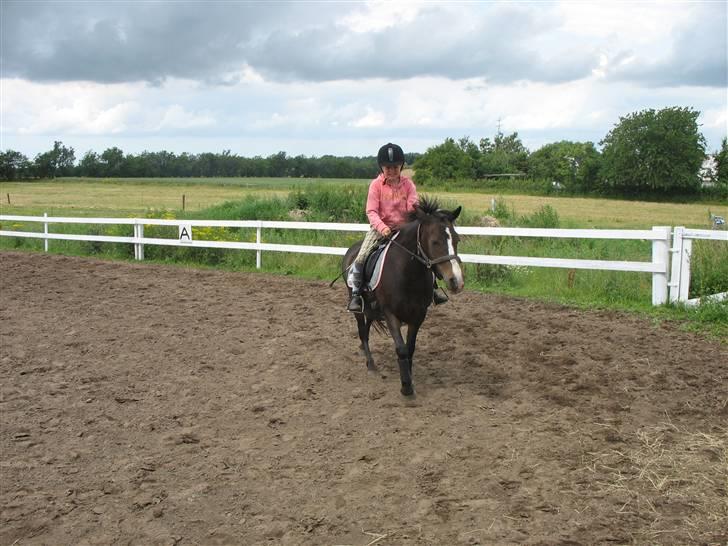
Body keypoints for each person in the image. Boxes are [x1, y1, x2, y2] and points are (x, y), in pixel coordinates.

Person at [347, 142, 448, 312]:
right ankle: (356, 295)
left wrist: (415, 217)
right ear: (382, 167)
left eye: (395, 167)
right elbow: (371, 211)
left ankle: (433, 289)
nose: (392, 170)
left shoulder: (408, 185)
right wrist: (382, 227)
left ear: (401, 166)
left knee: (424, 255)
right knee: (362, 256)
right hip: (381, 229)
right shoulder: (376, 185)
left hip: (405, 229)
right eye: (388, 167)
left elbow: (413, 205)